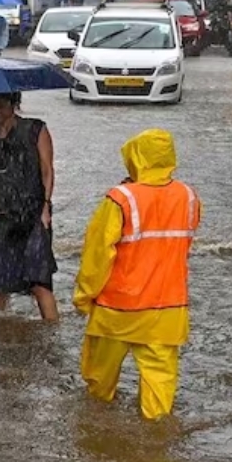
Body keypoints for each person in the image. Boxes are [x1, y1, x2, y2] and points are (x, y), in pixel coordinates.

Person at [74, 129, 201, 421]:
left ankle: (97, 439)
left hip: (117, 310)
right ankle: (157, 449)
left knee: (97, 389)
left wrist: (84, 297)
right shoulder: (189, 196)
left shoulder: (120, 198)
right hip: (167, 311)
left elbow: (97, 254)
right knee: (160, 398)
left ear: (135, 156)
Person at [0, 92, 58, 321]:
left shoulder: (36, 130)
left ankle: (52, 334)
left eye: (0, 106)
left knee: (39, 282)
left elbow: (47, 170)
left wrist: (45, 207)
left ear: (14, 104)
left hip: (30, 214)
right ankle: (1, 331)